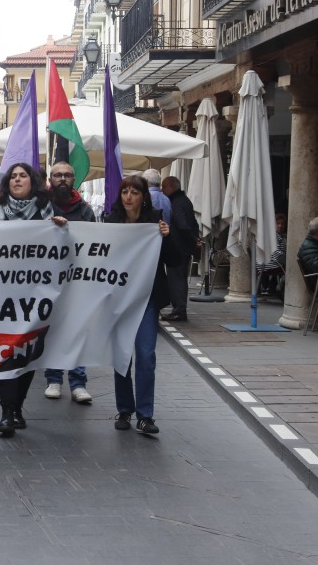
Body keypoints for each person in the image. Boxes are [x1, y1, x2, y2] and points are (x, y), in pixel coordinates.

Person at [0, 162, 66, 437]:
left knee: (28, 351)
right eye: (13, 177)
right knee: (5, 350)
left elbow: (68, 248)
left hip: (35, 295)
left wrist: (63, 229)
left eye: (23, 176)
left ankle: (17, 406)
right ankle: (7, 411)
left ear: (33, 182)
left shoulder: (49, 212)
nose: (18, 180)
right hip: (1, 295)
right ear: (7, 183)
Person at [107, 174, 171, 436]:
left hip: (146, 298)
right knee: (122, 355)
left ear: (144, 196)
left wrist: (167, 236)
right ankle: (124, 409)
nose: (129, 197)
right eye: (125, 192)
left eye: (134, 192)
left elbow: (174, 258)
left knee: (146, 355)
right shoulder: (110, 221)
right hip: (119, 298)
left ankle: (145, 414)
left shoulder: (155, 221)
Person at [41, 162, 96, 405]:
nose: (62, 179)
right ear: (50, 179)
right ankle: (53, 379)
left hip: (77, 280)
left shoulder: (85, 209)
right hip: (47, 280)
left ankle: (78, 382)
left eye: (67, 175)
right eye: (57, 175)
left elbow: (95, 242)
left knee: (76, 330)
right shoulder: (41, 207)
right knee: (52, 331)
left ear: (75, 179)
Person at [161, 175, 200, 321]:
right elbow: (192, 223)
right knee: (180, 278)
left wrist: (193, 239)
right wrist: (194, 239)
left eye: (164, 187)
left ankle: (179, 310)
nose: (162, 190)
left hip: (178, 247)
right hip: (184, 247)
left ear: (172, 187)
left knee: (176, 279)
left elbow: (182, 224)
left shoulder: (176, 202)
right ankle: (179, 309)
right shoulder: (185, 201)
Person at [255, 212, 287, 296]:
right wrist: (288, 258)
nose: (280, 226)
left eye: (282, 224)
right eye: (278, 223)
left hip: (265, 263)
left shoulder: (276, 235)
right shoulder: (274, 236)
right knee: (294, 268)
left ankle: (273, 287)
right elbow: (275, 252)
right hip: (270, 264)